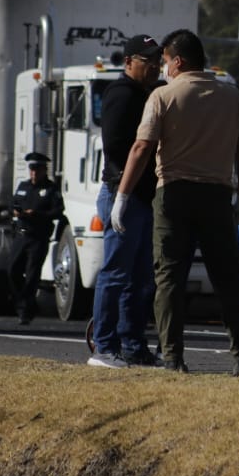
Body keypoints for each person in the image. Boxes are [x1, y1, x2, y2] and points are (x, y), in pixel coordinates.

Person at [116, 28, 239, 377]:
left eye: (167, 61)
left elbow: (141, 147)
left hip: (172, 194)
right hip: (217, 195)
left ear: (179, 61)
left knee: (169, 277)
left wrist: (122, 196)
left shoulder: (163, 96)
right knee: (230, 280)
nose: (164, 68)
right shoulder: (231, 97)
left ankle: (173, 358)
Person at [87, 35, 164, 369]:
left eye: (157, 60)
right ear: (130, 61)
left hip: (142, 197)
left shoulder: (148, 93)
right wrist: (123, 194)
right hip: (124, 193)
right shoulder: (121, 95)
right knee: (116, 274)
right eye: (148, 61)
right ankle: (104, 347)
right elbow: (118, 148)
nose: (154, 67)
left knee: (141, 278)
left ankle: (133, 345)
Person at [8, 152, 64, 325]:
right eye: (32, 169)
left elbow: (58, 211)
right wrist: (16, 211)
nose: (34, 173)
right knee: (12, 270)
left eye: (38, 169)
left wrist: (37, 214)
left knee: (32, 275)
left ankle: (25, 311)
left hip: (38, 237)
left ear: (44, 170)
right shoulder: (23, 186)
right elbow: (13, 203)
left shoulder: (51, 189)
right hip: (21, 234)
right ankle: (23, 302)